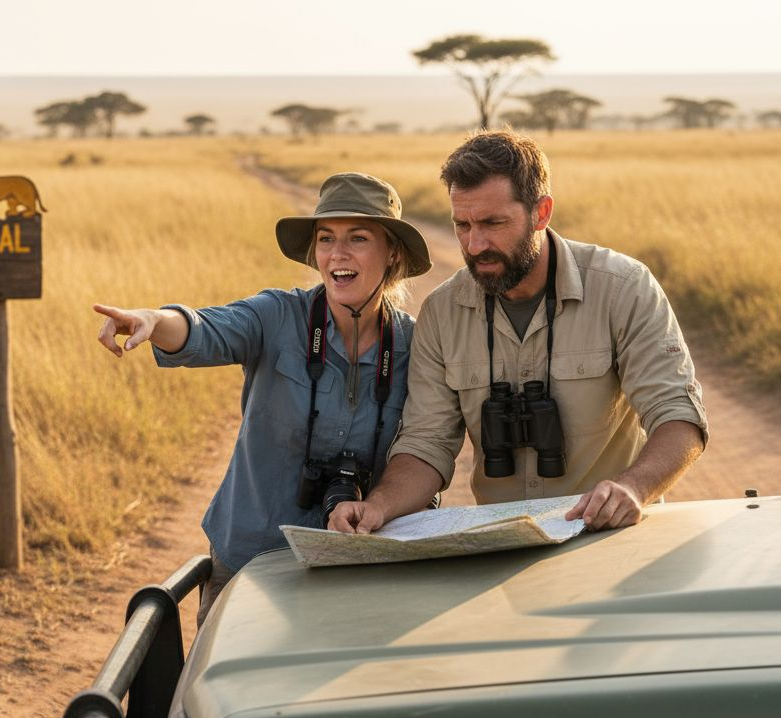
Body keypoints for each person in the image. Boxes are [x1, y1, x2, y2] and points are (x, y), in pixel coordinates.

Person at [330, 131, 707, 536]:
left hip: (607, 535)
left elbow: (678, 415)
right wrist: (378, 506)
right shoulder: (441, 312)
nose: (475, 244)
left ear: (541, 213)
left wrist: (633, 488)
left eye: (493, 223)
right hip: (504, 542)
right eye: (462, 225)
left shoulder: (623, 287)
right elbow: (426, 444)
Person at [94, 172, 430, 621]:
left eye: (358, 238)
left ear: (392, 253)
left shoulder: (414, 345)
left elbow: (429, 445)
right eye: (326, 238)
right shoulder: (277, 316)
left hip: (360, 560)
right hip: (251, 556)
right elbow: (206, 329)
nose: (338, 253)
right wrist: (153, 320)